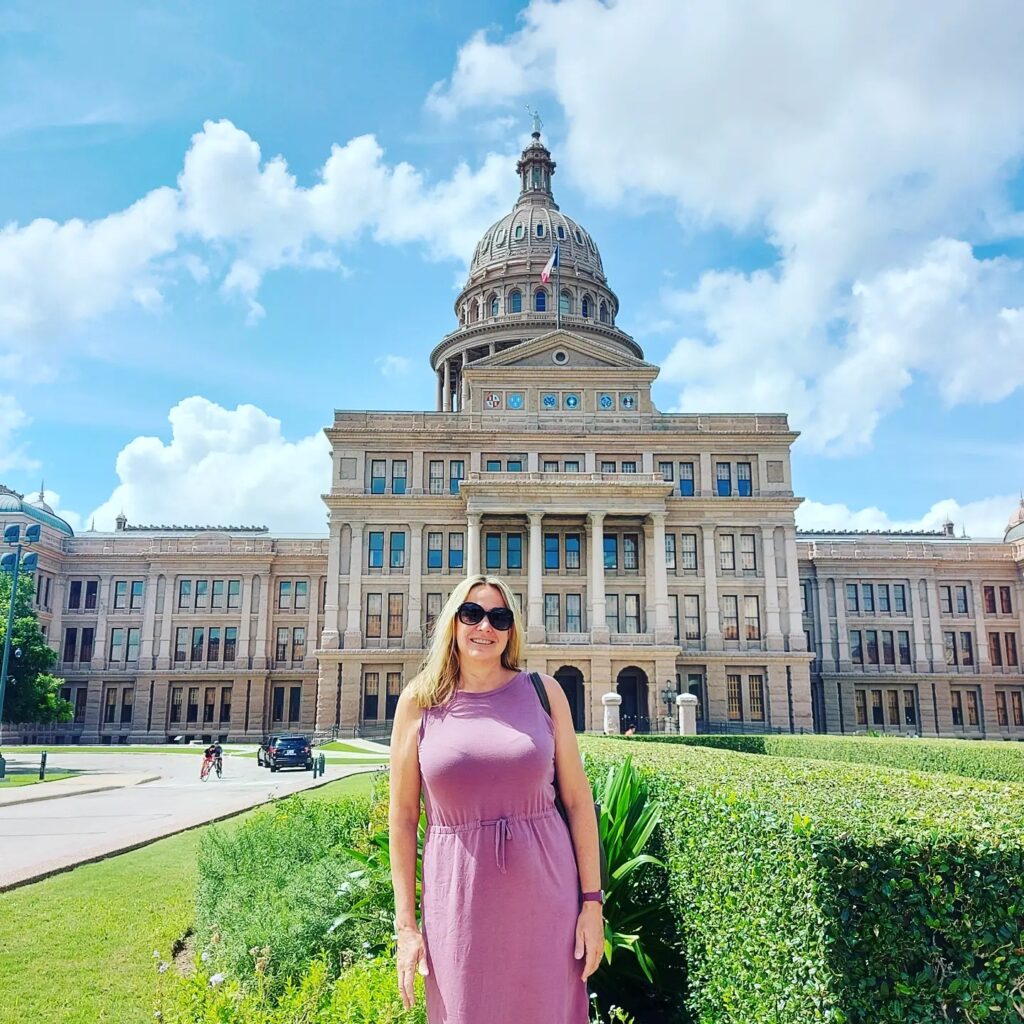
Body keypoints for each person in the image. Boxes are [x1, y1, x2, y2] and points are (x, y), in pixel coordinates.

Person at [389, 574, 603, 1023]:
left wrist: (592, 903)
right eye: (472, 614)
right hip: (459, 898)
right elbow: (404, 817)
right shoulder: (418, 701)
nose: (484, 627)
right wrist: (406, 927)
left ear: (511, 630)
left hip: (547, 896)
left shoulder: (545, 692)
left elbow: (579, 802)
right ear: (453, 622)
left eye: (499, 617)